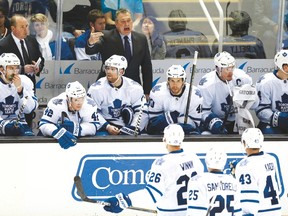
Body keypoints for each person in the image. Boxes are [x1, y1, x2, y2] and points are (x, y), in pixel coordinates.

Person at [103, 124, 204, 215]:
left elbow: (152, 194)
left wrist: (123, 200)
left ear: (164, 139)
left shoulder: (162, 163)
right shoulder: (194, 158)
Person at [85, 8, 152, 98]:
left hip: (132, 87)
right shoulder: (106, 36)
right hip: (108, 87)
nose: (126, 24)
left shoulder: (141, 39)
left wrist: (147, 91)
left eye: (128, 21)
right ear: (116, 24)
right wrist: (91, 43)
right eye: (123, 21)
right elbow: (90, 50)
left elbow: (146, 67)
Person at [0, 14, 44, 127]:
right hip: (10, 89)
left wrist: (38, 67)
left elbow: (40, 58)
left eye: (27, 26)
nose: (26, 29)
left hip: (28, 87)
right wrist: (23, 69)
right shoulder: (3, 45)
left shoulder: (32, 41)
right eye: (22, 27)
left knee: (27, 116)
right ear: (13, 28)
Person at [198, 51, 257, 134]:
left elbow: (255, 105)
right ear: (218, 69)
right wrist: (214, 122)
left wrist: (250, 97)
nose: (231, 72)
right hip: (217, 122)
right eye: (227, 69)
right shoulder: (207, 85)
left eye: (232, 67)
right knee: (205, 135)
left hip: (238, 121)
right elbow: (203, 112)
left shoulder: (243, 78)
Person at [87, 54, 147, 136]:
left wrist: (133, 127)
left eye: (112, 69)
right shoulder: (96, 88)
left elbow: (142, 111)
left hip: (127, 126)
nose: (108, 71)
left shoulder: (135, 87)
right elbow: (91, 112)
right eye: (107, 68)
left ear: (121, 72)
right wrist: (107, 126)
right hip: (104, 125)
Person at [38, 81, 107, 149]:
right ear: (68, 98)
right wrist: (58, 133)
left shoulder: (89, 104)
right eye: (76, 100)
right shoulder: (56, 103)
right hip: (53, 139)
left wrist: (77, 129)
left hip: (77, 138)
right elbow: (44, 124)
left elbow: (93, 127)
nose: (80, 103)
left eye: (81, 99)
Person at [234, 128, 282, 215]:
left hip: (261, 212)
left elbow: (248, 200)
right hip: (276, 210)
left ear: (245, 142)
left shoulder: (243, 166)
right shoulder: (271, 159)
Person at [146, 64, 202, 135]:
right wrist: (174, 118)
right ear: (168, 81)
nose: (175, 85)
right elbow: (153, 124)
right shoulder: (157, 92)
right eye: (172, 80)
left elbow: (195, 125)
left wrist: (170, 120)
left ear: (183, 81)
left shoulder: (195, 94)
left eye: (178, 81)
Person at [186, 147, 242, 215]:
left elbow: (195, 212)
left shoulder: (198, 181)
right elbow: (238, 213)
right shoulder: (234, 182)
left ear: (207, 161)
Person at [0, 53, 38, 136]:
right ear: (2, 69)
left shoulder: (25, 81)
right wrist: (5, 126)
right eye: (11, 68)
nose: (15, 71)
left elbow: (29, 109)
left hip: (20, 124)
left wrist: (20, 90)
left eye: (16, 67)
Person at [255, 49, 288, 134]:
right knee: (270, 134)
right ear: (283, 66)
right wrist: (280, 118)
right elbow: (261, 110)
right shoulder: (266, 82)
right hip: (270, 123)